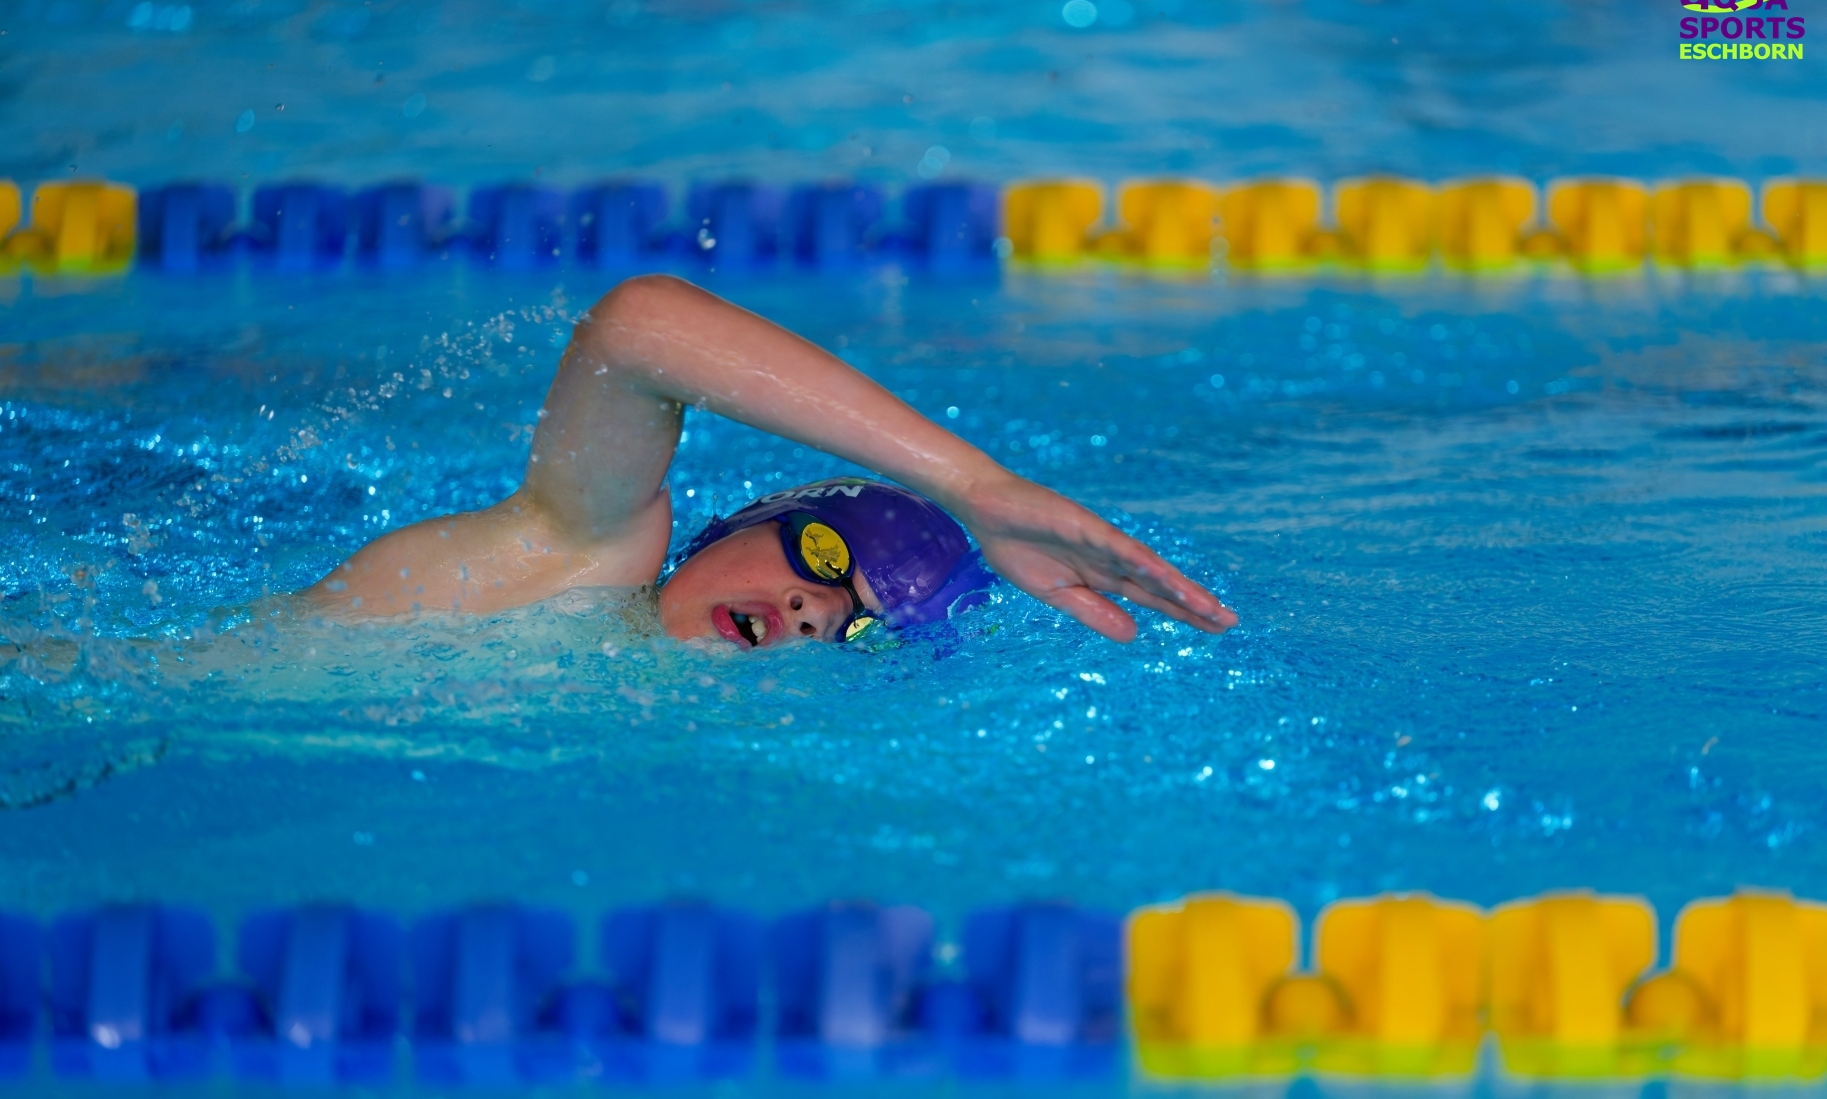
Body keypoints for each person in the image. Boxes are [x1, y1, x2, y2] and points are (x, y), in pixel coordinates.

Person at [303, 275, 1238, 648]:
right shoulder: (565, 566)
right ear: (737, 529)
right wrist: (973, 486)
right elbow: (638, 330)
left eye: (855, 629)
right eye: (825, 560)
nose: (813, 610)